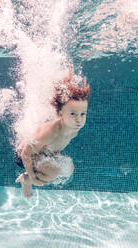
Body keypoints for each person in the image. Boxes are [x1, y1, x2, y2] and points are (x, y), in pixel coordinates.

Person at [15, 69, 91, 197]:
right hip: (23, 155)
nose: (79, 119)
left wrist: (54, 156)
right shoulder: (51, 132)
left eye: (82, 114)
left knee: (69, 168)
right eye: (73, 114)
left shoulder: (74, 130)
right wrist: (33, 177)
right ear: (61, 113)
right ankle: (26, 179)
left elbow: (56, 146)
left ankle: (35, 173)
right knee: (54, 171)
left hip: (41, 152)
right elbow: (25, 153)